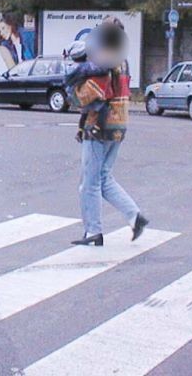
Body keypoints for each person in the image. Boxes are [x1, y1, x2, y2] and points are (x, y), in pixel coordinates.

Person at [69, 18, 148, 247]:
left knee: (89, 182)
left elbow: (91, 93)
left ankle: (93, 231)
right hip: (118, 125)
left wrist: (73, 90)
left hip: (99, 127)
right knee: (104, 177)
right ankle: (135, 217)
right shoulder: (122, 60)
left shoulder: (104, 61)